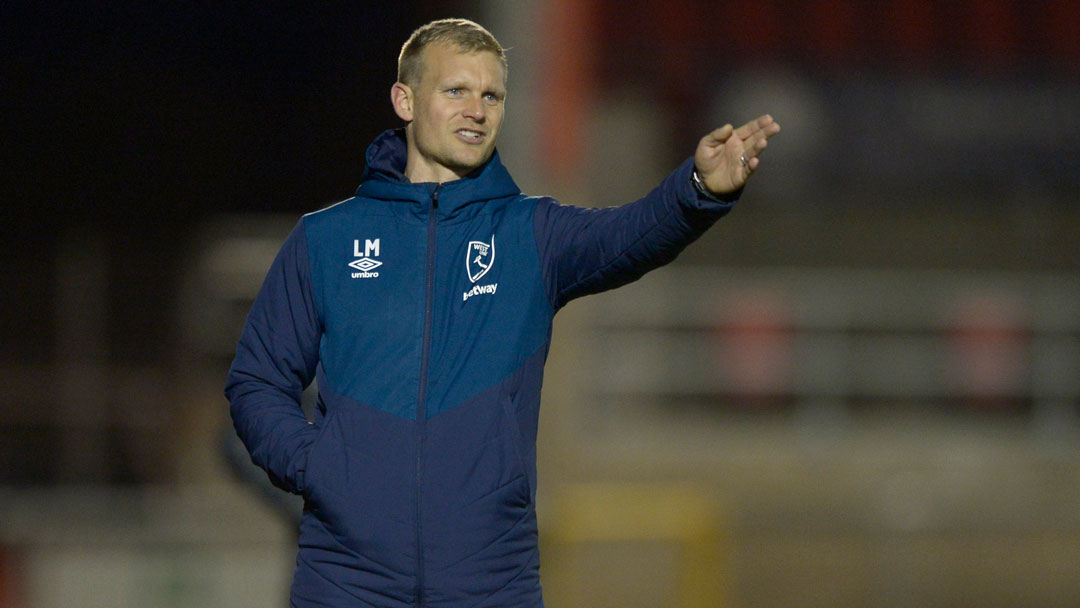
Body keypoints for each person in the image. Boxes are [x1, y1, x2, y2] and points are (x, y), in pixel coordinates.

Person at [226, 17, 779, 608]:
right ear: (405, 100)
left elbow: (630, 235)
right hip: (345, 584)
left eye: (491, 95)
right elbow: (257, 382)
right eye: (456, 90)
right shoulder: (327, 239)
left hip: (490, 585)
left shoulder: (531, 236)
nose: (477, 109)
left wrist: (699, 187)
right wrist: (321, 467)